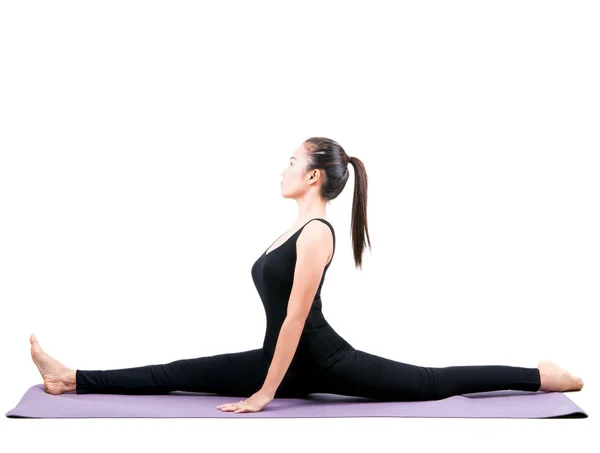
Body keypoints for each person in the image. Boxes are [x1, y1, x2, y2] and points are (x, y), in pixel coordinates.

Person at [30, 137, 584, 414]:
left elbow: (296, 317)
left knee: (433, 383)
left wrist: (262, 395)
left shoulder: (316, 232)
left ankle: (541, 375)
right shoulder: (291, 228)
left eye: (292, 163)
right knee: (179, 369)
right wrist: (268, 378)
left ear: (314, 174)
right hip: (283, 359)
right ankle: (71, 377)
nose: (283, 168)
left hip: (320, 358)